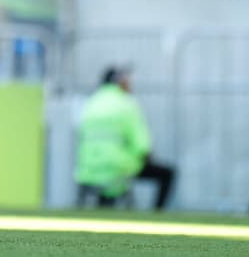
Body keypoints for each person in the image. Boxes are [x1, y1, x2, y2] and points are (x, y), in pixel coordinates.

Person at [76, 66, 177, 210]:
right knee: (167, 173)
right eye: (126, 80)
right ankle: (157, 215)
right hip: (117, 168)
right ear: (118, 82)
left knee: (106, 185)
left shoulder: (90, 103)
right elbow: (142, 145)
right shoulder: (126, 103)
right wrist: (146, 157)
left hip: (87, 171)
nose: (129, 83)